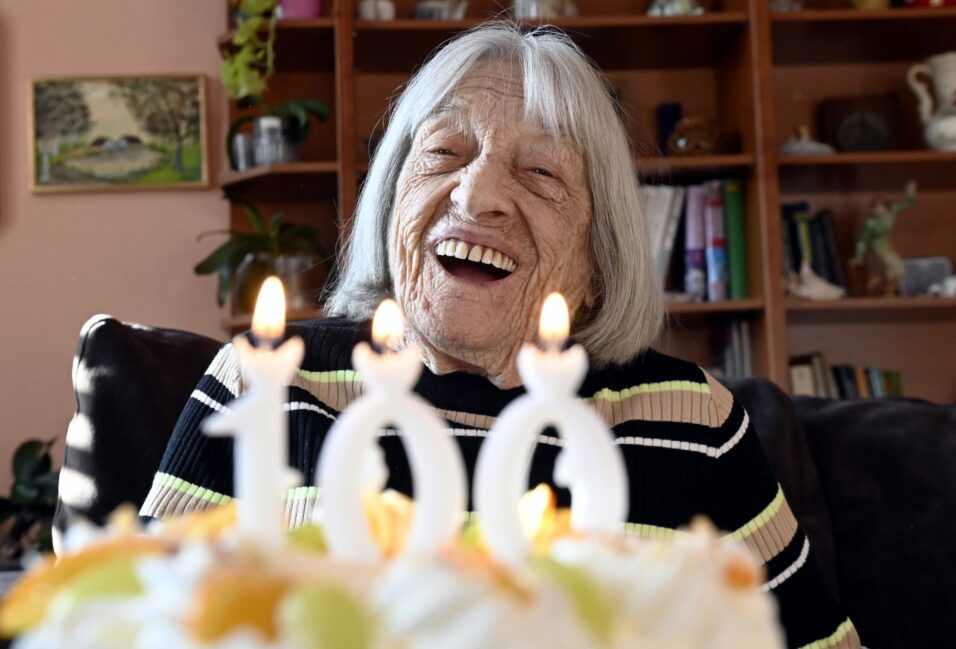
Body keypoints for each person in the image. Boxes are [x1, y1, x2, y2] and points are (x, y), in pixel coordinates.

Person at [141, 23, 860, 649]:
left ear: (597, 259)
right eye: (445, 154)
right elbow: (133, 615)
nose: (477, 194)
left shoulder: (692, 420)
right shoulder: (270, 383)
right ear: (392, 203)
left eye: (541, 171)